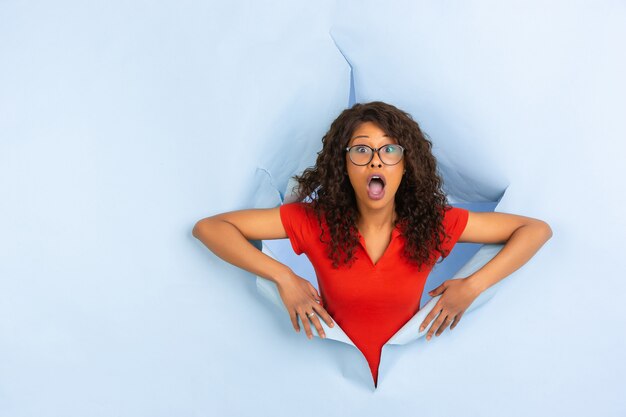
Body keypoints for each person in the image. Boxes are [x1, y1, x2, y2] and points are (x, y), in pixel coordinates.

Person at [192, 101, 553, 387]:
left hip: (413, 383)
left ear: (406, 164)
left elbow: (535, 230)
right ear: (344, 164)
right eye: (361, 151)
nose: (376, 160)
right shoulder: (312, 220)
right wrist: (282, 276)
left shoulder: (433, 224)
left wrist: (473, 285)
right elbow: (211, 228)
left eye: (389, 150)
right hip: (327, 383)